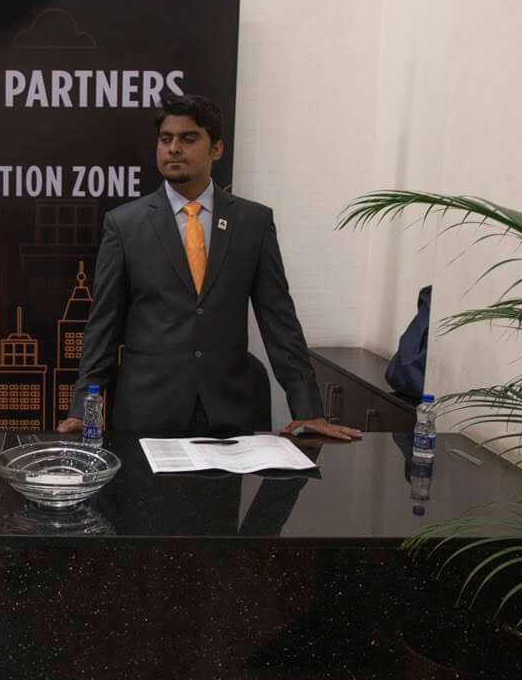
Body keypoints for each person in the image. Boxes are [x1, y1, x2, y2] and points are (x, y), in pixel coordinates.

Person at [59, 94, 359, 440]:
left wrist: (308, 410)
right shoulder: (125, 224)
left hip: (229, 412)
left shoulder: (253, 222)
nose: (173, 148)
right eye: (166, 139)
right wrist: (82, 409)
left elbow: (279, 319)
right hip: (146, 412)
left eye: (188, 138)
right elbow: (104, 324)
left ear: (216, 148)